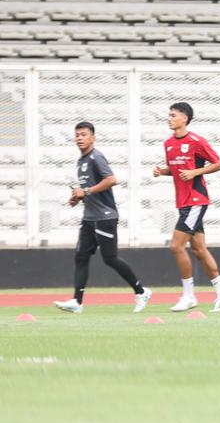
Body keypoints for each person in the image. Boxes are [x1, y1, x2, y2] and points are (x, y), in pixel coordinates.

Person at [54, 122, 152, 314]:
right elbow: (89, 190)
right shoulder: (81, 161)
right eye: (77, 135)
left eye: (84, 134)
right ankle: (77, 302)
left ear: (93, 137)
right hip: (89, 217)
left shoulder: (96, 157)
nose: (80, 138)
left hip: (105, 217)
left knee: (110, 258)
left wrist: (85, 191)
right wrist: (78, 198)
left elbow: (111, 180)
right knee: (81, 256)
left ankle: (141, 292)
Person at [151, 102, 220, 313]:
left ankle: (188, 296)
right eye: (169, 115)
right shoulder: (168, 143)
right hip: (183, 202)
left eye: (173, 115)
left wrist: (195, 172)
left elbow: (218, 163)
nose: (169, 118)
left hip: (196, 201)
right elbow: (177, 168)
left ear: (185, 118)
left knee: (176, 246)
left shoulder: (196, 141)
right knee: (198, 249)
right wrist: (163, 171)